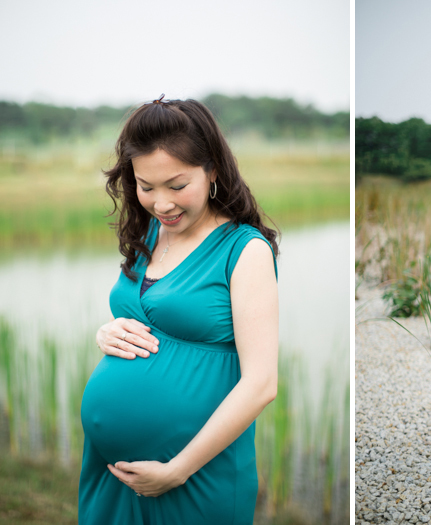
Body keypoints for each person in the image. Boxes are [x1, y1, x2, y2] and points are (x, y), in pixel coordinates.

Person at [79, 95, 280, 524]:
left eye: (176, 186)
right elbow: (143, 315)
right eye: (145, 186)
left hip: (194, 476)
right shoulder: (151, 231)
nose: (162, 203)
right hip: (110, 472)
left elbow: (261, 383)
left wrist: (176, 470)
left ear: (212, 172)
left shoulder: (244, 251)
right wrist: (107, 332)